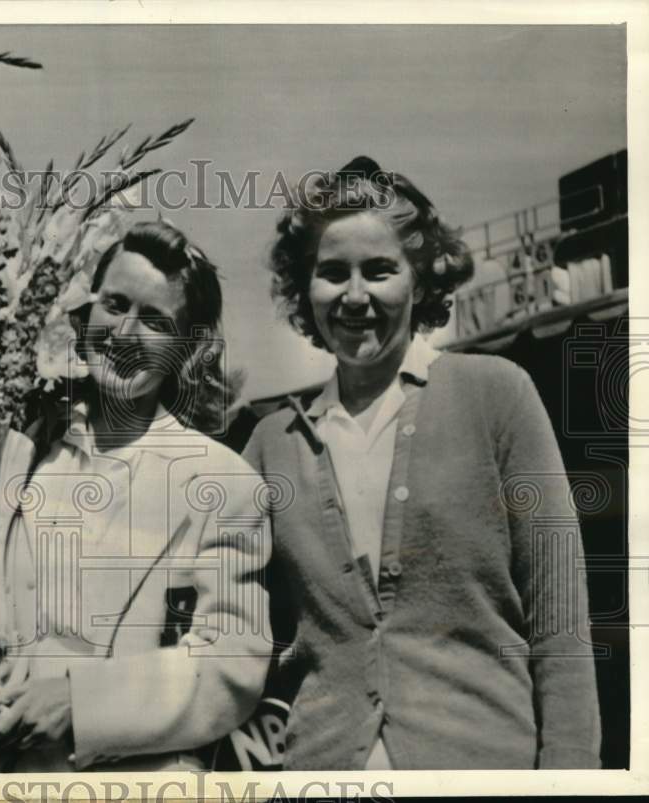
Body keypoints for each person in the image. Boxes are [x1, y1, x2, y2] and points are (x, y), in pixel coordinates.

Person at [0, 220, 272, 772]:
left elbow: (230, 668)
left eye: (156, 321)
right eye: (114, 304)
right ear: (86, 310)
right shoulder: (12, 449)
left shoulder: (223, 482)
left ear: (187, 350)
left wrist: (81, 703)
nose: (125, 332)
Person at [243, 157, 601, 770]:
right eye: (332, 273)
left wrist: (571, 776)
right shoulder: (273, 442)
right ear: (306, 289)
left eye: (380, 270)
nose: (355, 296)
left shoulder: (497, 396)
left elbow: (560, 620)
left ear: (421, 280)